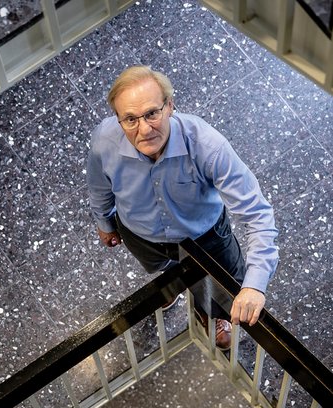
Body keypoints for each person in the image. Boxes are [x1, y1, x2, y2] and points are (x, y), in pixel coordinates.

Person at [85, 65, 279, 350]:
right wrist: (105, 222)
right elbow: (99, 186)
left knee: (222, 288)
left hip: (205, 236)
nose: (144, 129)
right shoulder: (104, 141)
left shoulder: (207, 145)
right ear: (118, 119)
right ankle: (172, 285)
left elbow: (256, 213)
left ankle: (212, 314)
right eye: (130, 119)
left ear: (170, 106)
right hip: (142, 234)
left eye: (152, 113)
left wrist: (254, 285)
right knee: (163, 268)